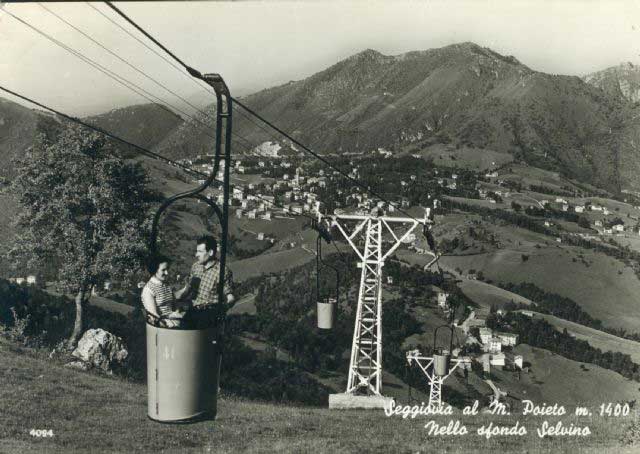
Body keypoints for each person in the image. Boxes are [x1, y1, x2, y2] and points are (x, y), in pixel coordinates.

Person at [177, 235, 234, 311]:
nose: (196, 255)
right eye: (197, 251)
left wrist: (221, 309)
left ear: (210, 252)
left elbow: (230, 297)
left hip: (209, 313)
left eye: (200, 252)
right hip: (192, 310)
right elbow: (187, 290)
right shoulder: (195, 267)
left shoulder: (222, 271)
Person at [141, 255, 185, 328]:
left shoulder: (166, 285)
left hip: (175, 321)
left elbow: (174, 306)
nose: (167, 273)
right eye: (163, 270)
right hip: (164, 327)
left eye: (167, 269)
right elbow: (154, 316)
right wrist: (171, 323)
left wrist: (178, 313)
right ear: (154, 270)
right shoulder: (148, 290)